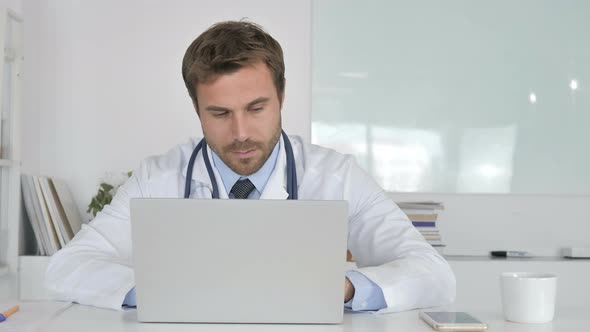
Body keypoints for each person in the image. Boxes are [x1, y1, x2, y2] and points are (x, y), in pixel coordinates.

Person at [44, 21, 455, 312]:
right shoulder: (159, 178)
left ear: (281, 96)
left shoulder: (336, 177)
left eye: (256, 108)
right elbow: (66, 268)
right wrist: (154, 290)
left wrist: (344, 289)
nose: (241, 132)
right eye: (220, 113)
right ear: (196, 108)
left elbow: (434, 276)